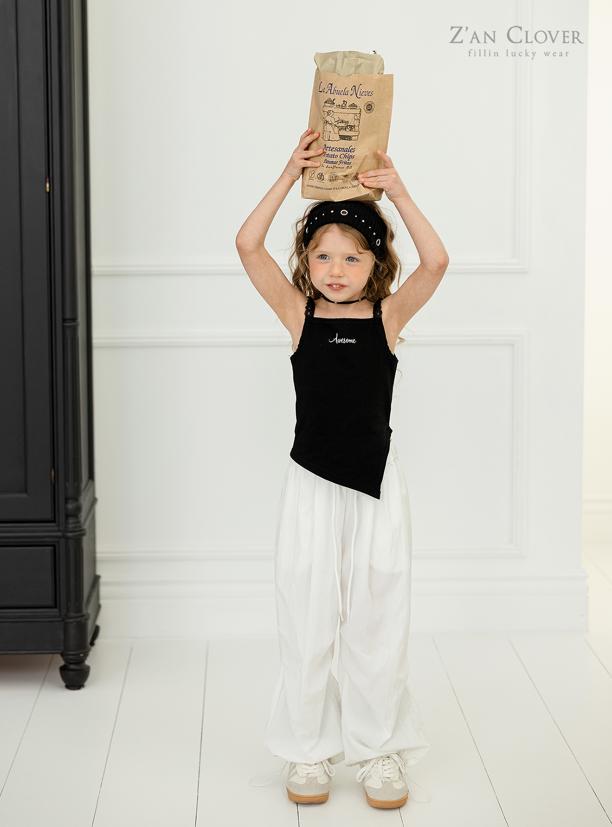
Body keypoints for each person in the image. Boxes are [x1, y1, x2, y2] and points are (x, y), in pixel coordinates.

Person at [235, 127, 449, 809]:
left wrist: (400, 192)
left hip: (377, 487)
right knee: (307, 618)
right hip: (311, 486)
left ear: (374, 262)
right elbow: (247, 245)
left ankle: (379, 749)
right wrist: (286, 176)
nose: (335, 268)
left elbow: (437, 262)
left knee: (377, 618)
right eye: (322, 254)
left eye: (352, 256)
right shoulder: (298, 314)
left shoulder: (388, 317)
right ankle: (308, 750)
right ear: (306, 259)